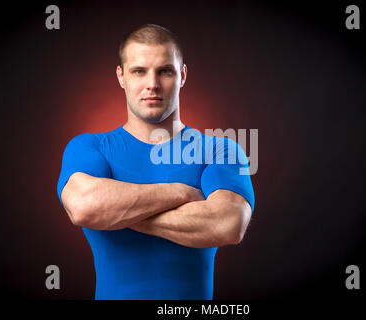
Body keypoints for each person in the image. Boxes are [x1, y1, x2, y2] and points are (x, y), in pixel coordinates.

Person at [57, 24, 255, 300]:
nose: (152, 83)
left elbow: (229, 224)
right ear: (121, 76)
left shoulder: (219, 149)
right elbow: (84, 207)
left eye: (165, 70)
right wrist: (182, 193)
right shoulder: (90, 147)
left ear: (182, 75)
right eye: (139, 71)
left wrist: (117, 213)